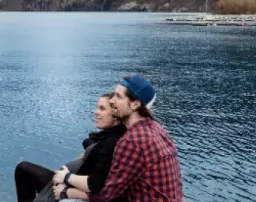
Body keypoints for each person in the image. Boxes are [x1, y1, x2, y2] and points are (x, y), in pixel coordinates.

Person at [52, 76, 183, 202]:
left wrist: (66, 191)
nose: (112, 101)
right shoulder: (157, 128)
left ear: (135, 104)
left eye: (118, 97)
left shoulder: (132, 141)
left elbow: (106, 195)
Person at [15, 93, 127, 202]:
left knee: (24, 170)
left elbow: (96, 184)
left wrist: (66, 179)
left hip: (70, 186)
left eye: (102, 109)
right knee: (23, 170)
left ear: (116, 115)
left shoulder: (112, 143)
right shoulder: (107, 136)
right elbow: (92, 145)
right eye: (97, 108)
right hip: (68, 182)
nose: (96, 112)